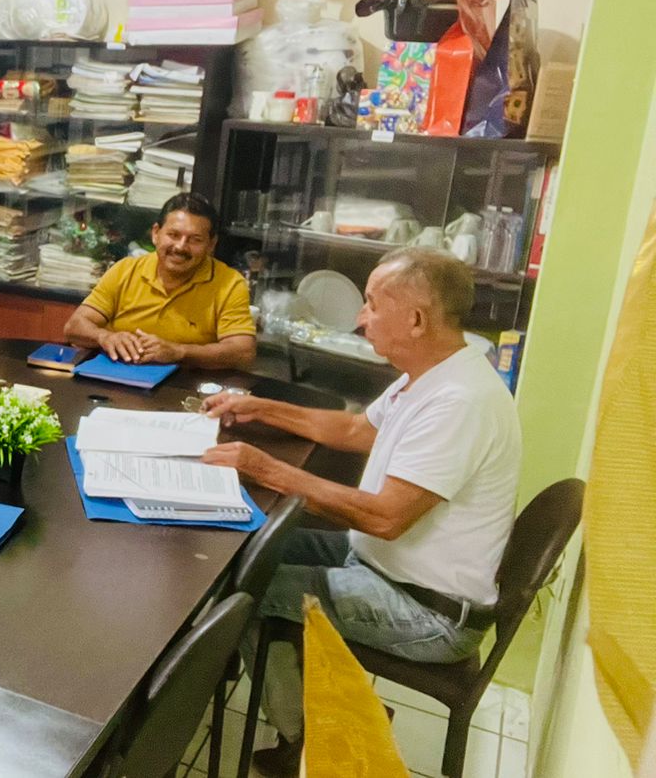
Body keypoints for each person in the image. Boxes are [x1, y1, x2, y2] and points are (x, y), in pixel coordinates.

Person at [199, 248, 520, 775]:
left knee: (248, 593)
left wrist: (265, 468)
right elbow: (355, 430)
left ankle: (316, 740)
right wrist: (257, 407)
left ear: (415, 320)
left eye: (372, 303)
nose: (360, 316)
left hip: (427, 609)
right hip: (384, 564)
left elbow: (384, 518)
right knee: (250, 545)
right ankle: (331, 708)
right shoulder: (431, 372)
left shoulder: (461, 400)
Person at [63, 192, 256, 369]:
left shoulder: (229, 284)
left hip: (186, 385)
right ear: (156, 233)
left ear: (211, 244)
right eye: (173, 235)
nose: (180, 247)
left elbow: (243, 352)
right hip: (115, 374)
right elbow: (74, 326)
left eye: (195, 239)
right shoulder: (125, 270)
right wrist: (105, 337)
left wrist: (179, 352)